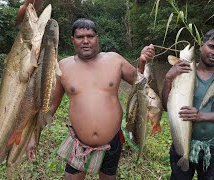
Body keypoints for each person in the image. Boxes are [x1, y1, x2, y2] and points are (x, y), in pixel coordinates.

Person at [26, 18, 155, 180]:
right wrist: (33, 137)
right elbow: (49, 107)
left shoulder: (115, 60)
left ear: (97, 37)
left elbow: (140, 83)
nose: (85, 41)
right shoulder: (63, 67)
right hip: (79, 142)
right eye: (80, 37)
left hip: (112, 142)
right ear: (73, 40)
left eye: (90, 36)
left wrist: (142, 61)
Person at [162, 29, 214, 180]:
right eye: (211, 46)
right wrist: (168, 79)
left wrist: (201, 116)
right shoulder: (182, 71)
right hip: (181, 145)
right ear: (201, 46)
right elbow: (165, 106)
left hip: (212, 147)